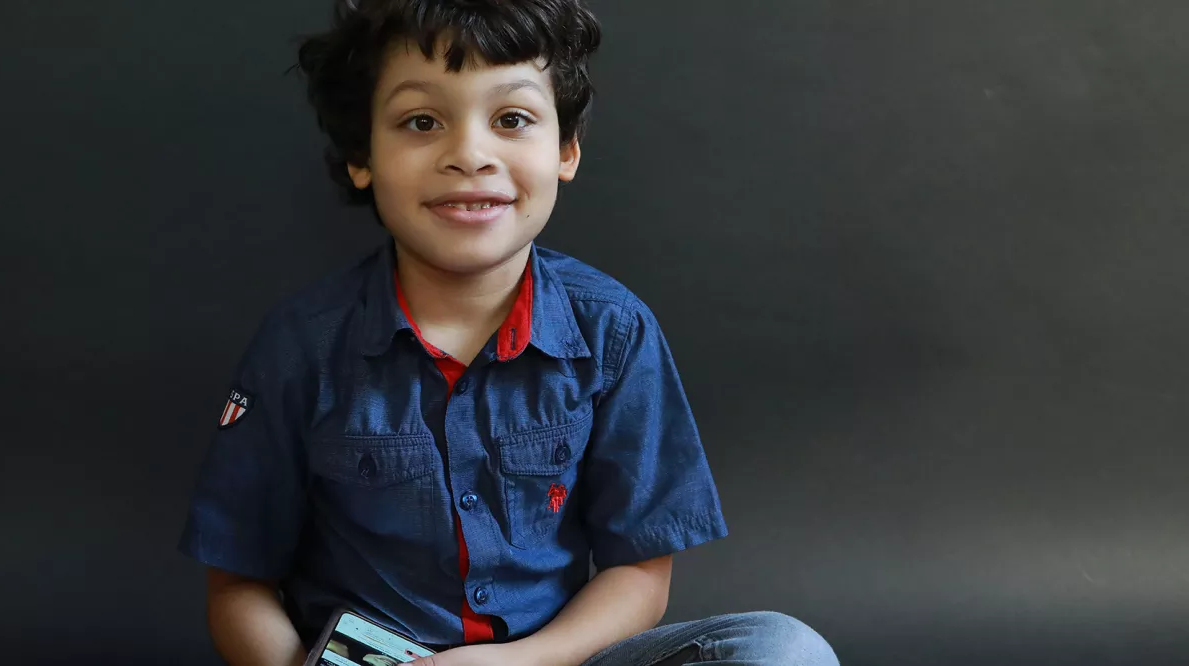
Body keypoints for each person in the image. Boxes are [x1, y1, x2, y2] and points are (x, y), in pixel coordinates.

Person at [178, 1, 839, 664]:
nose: (469, 154)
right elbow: (238, 584)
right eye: (421, 121)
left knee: (784, 649)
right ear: (362, 156)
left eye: (512, 119)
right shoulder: (302, 346)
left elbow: (640, 575)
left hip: (547, 662)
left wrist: (513, 663)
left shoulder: (613, 331)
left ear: (566, 150)